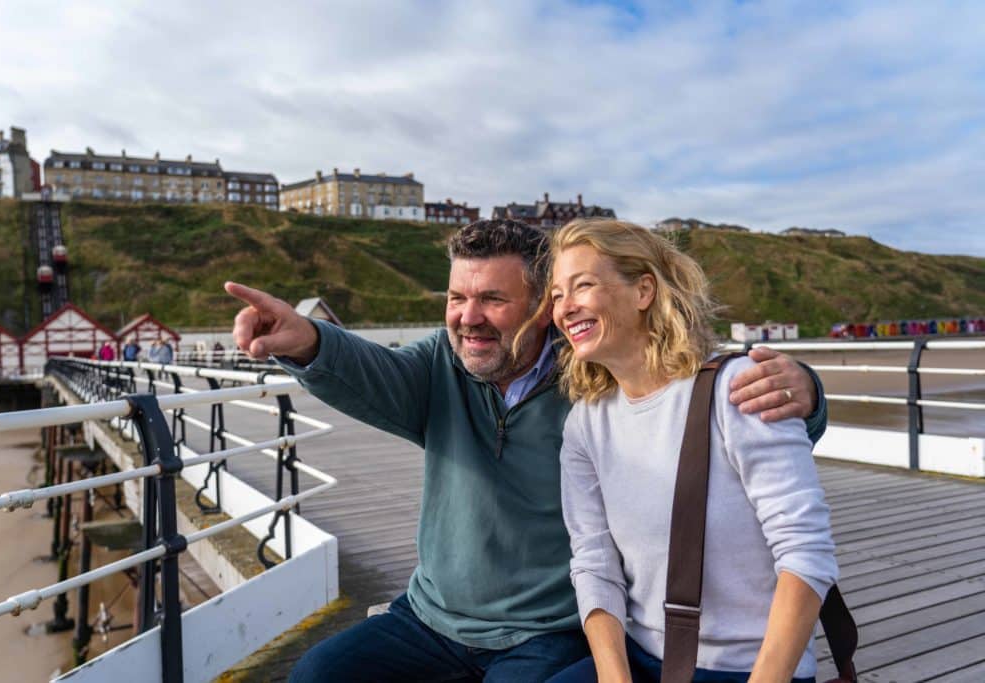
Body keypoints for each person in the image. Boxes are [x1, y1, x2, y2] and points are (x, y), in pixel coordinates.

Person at [225, 219, 828, 683]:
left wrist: (806, 389)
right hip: (432, 617)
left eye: (492, 299)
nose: (468, 318)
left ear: (542, 308)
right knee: (315, 675)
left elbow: (687, 384)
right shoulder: (444, 365)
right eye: (457, 297)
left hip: (548, 629)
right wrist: (306, 342)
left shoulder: (590, 376)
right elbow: (371, 371)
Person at [544, 220, 836, 683]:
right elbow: (593, 562)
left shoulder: (738, 390)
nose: (565, 307)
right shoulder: (586, 422)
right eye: (557, 294)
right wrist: (614, 678)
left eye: (583, 286)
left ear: (643, 291)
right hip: (642, 657)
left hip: (750, 667)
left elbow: (806, 554)